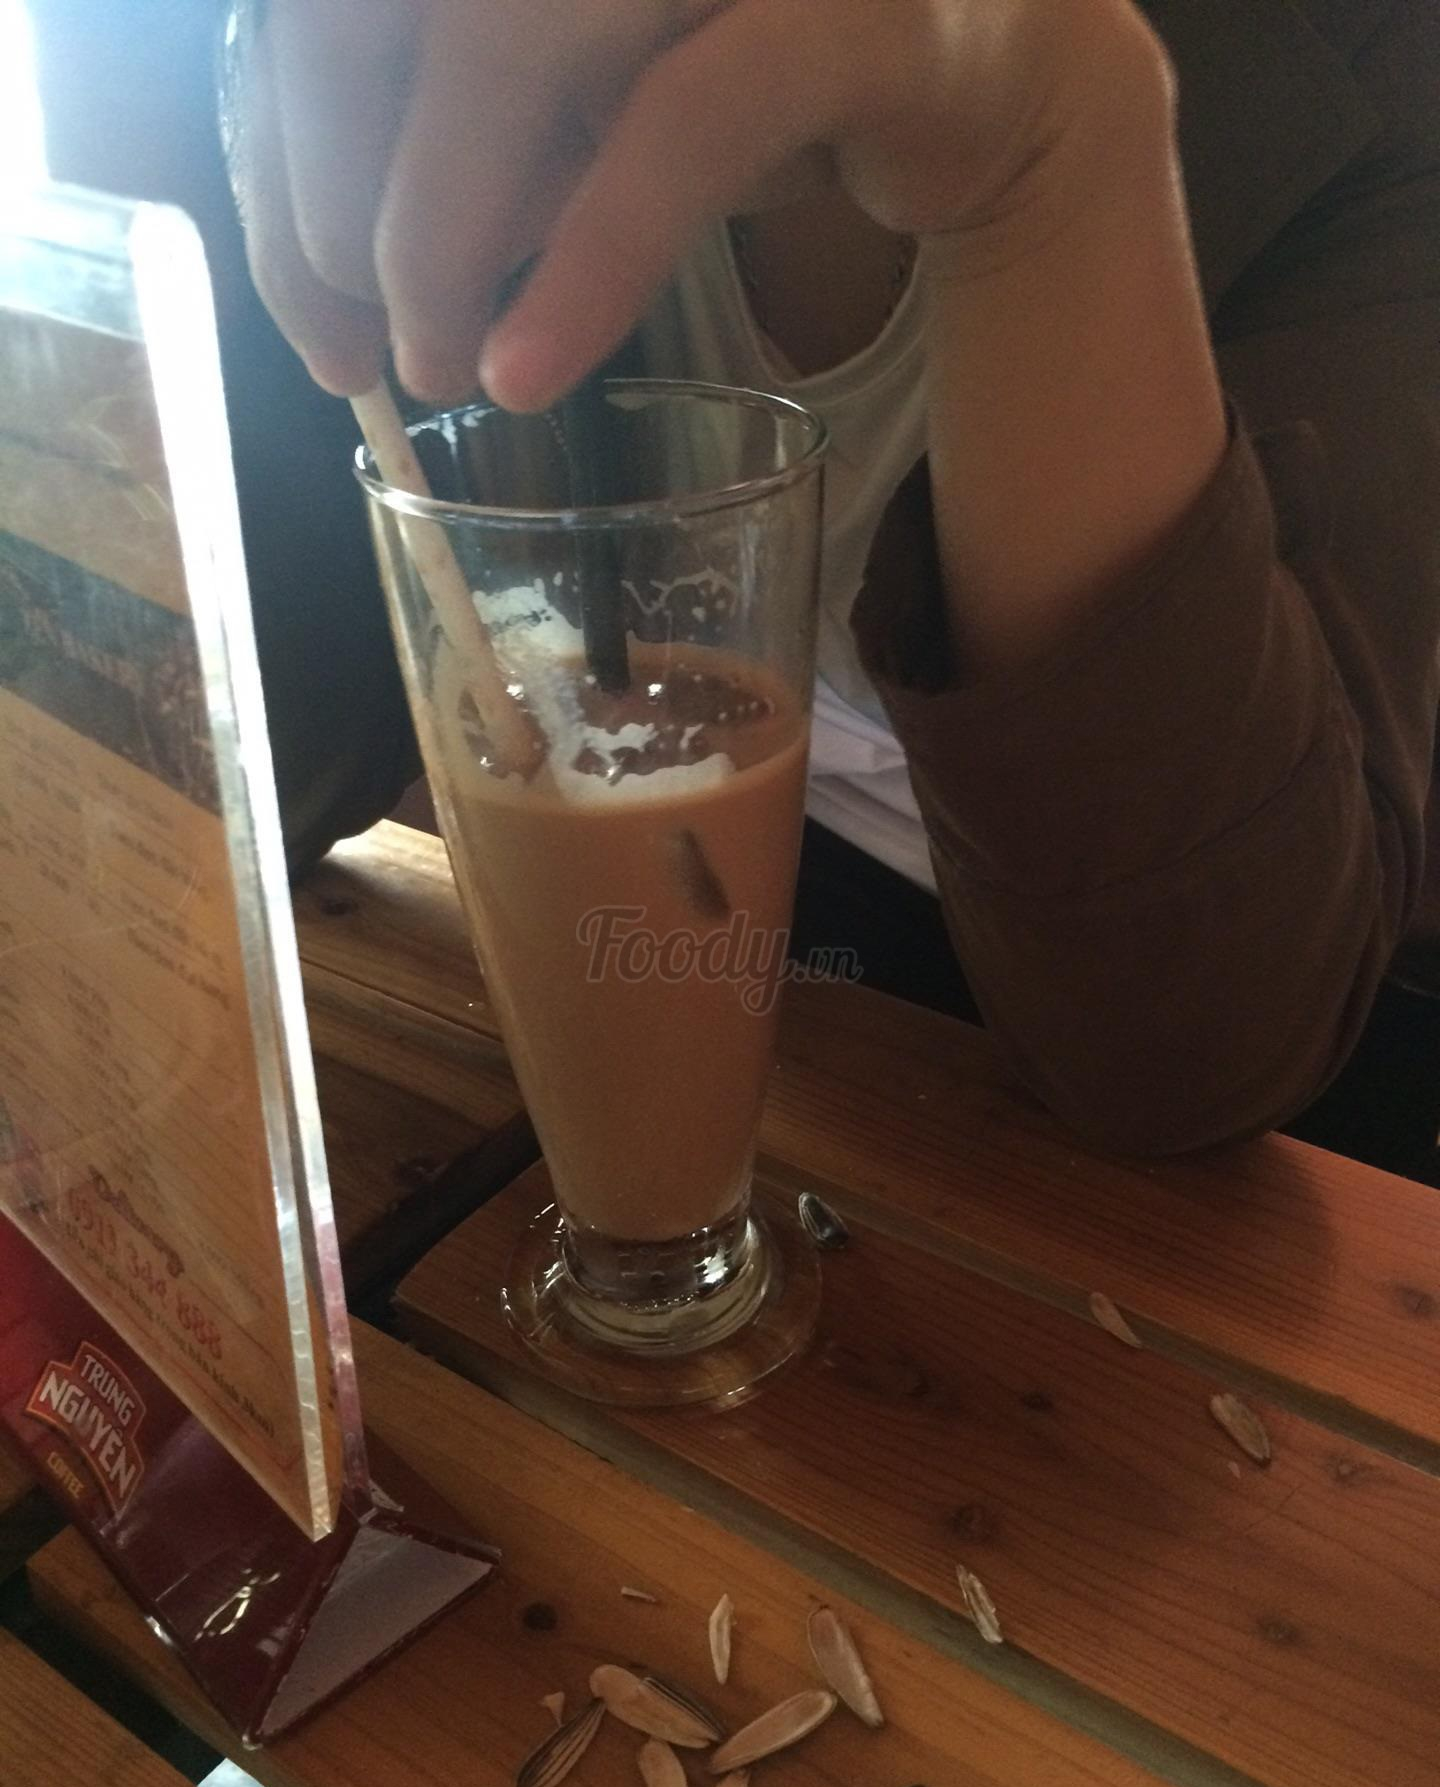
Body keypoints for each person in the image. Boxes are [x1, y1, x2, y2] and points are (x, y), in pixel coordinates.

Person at [36, 1, 1440, 1180]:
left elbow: (1198, 1051)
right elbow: (231, 769)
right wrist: (140, 89)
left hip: (1156, 1005)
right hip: (675, 887)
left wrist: (1059, 164)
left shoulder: (1361, 71)